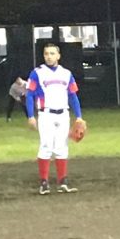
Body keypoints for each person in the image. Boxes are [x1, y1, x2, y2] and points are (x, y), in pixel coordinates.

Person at [23, 41, 83, 193]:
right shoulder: (37, 73)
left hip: (63, 114)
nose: (49, 56)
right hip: (46, 114)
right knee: (46, 146)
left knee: (62, 146)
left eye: (52, 53)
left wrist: (79, 116)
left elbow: (73, 95)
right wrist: (30, 116)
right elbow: (29, 95)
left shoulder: (66, 73)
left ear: (58, 56)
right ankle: (44, 182)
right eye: (46, 54)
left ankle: (63, 181)